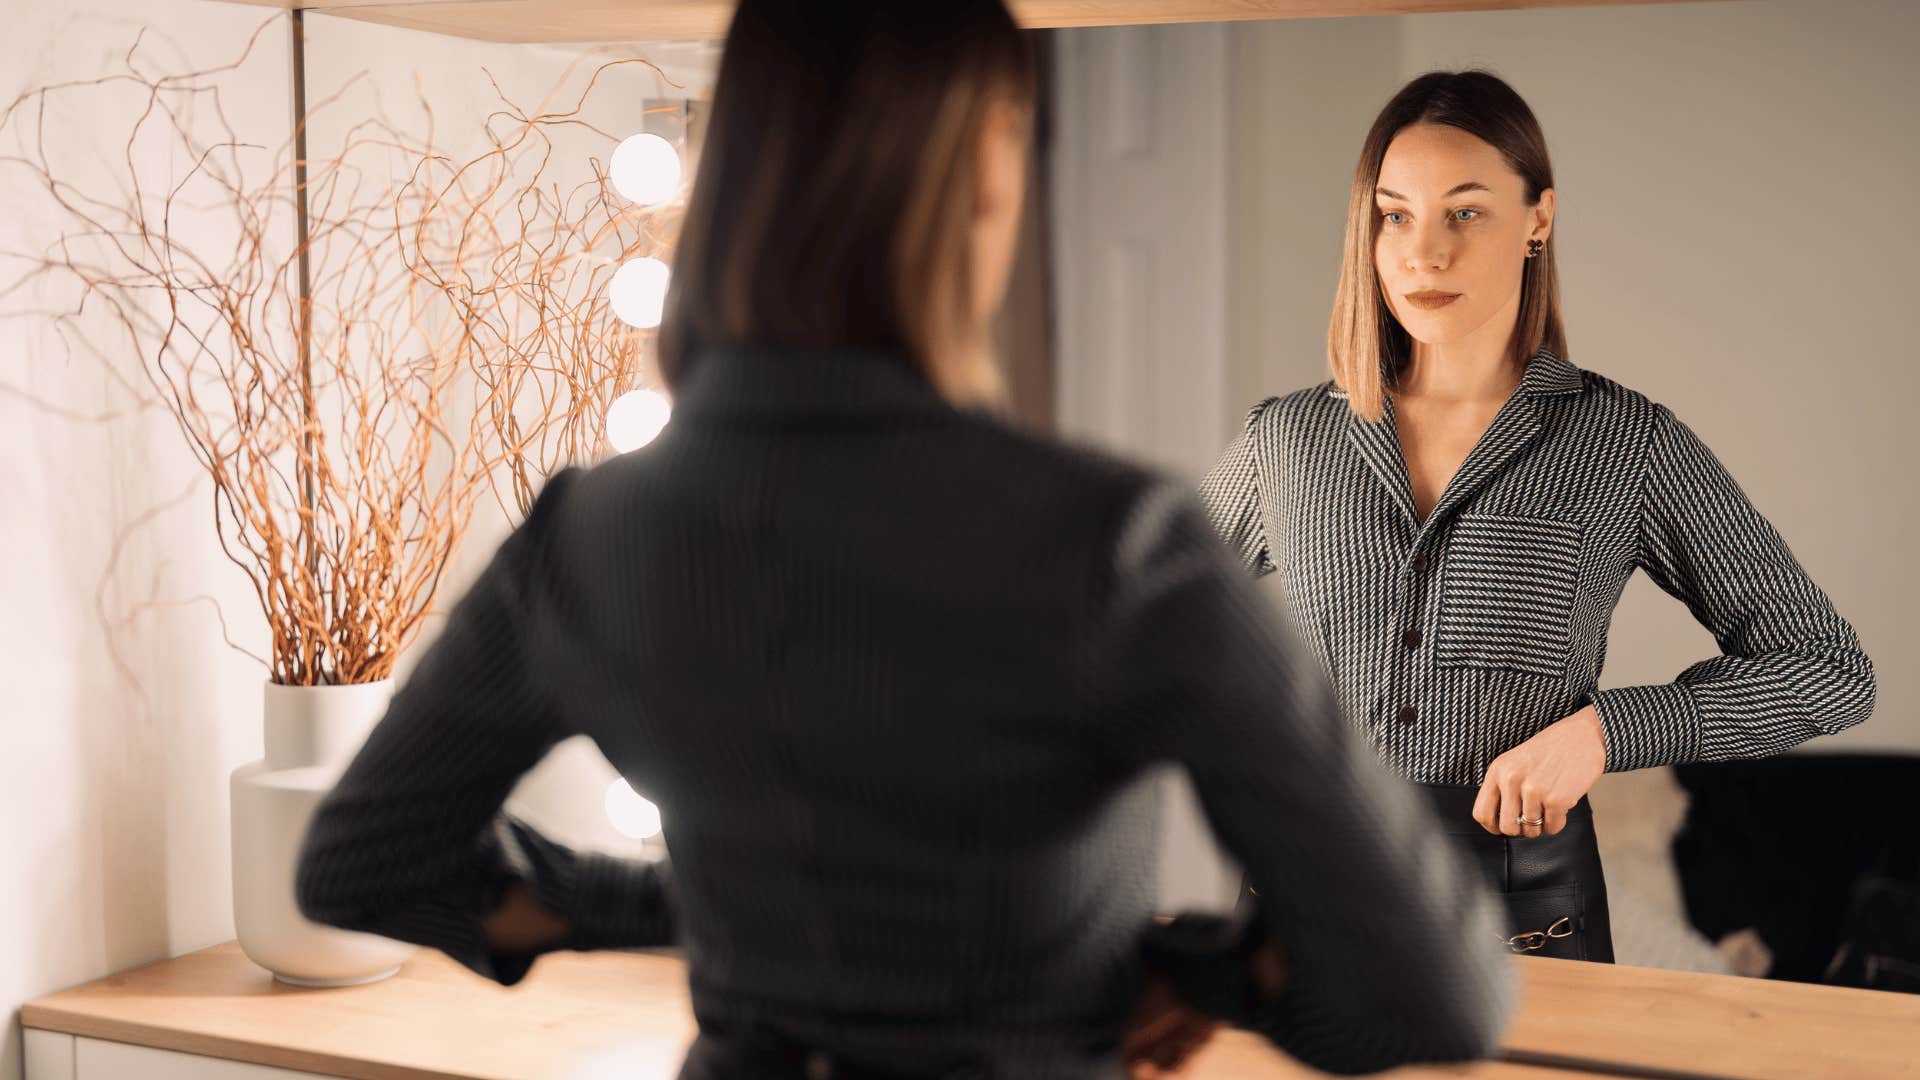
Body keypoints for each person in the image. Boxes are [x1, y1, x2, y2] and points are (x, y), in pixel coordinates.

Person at [295, 5, 1513, 1076]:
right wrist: (1190, 973)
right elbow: (1434, 988)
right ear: (989, 162)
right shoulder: (1114, 547)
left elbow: (359, 864)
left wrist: (691, 913)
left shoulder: (587, 537)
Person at [1200, 69, 1875, 964]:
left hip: (1524, 924)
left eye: (1465, 212)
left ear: (1538, 220)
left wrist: (1604, 732)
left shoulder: (1624, 443)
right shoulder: (1285, 440)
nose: (1424, 253)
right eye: (1395, 215)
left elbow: (1828, 669)